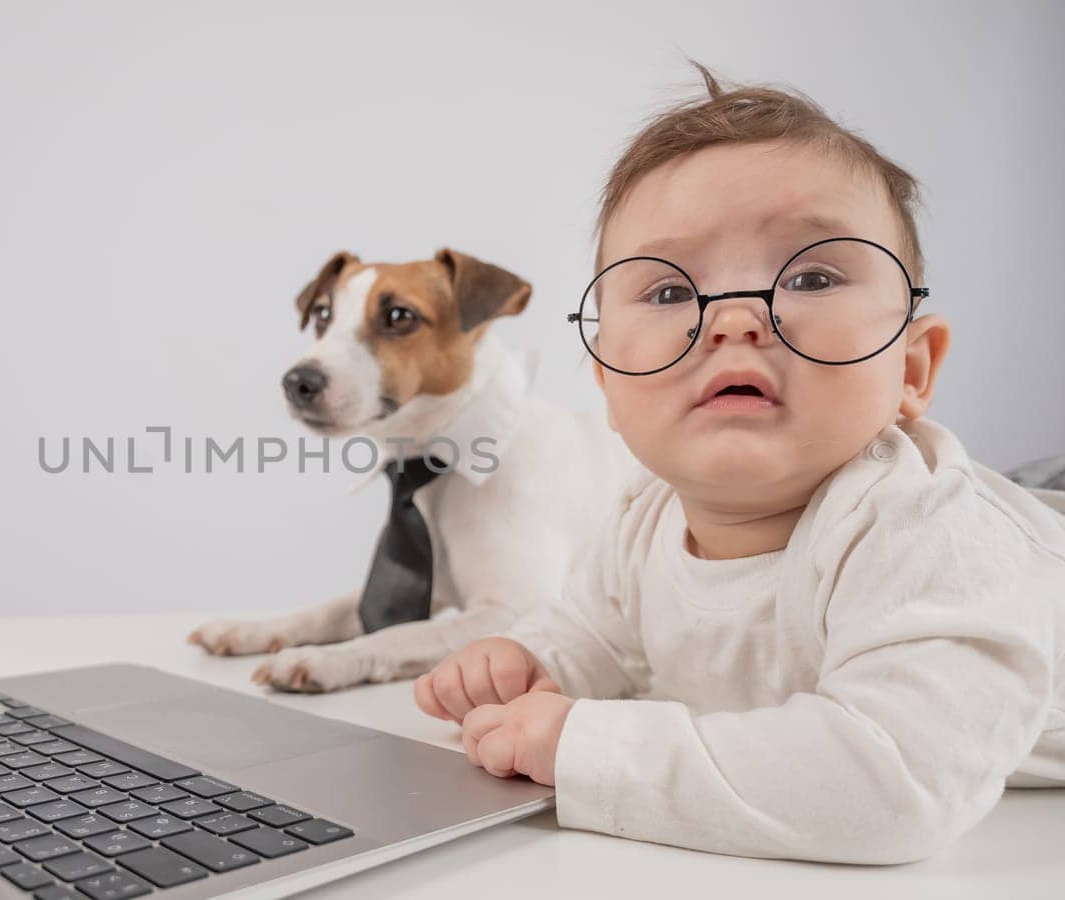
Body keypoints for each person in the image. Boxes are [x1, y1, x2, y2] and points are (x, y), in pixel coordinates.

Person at [412, 61, 1065, 864]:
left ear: (913, 369)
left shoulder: (929, 533)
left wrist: (587, 748)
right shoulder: (644, 518)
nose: (732, 320)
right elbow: (598, 634)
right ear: (610, 385)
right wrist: (530, 664)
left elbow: (894, 784)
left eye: (811, 275)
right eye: (668, 293)